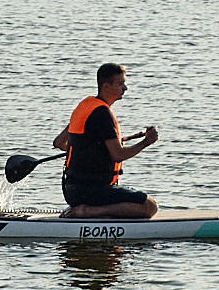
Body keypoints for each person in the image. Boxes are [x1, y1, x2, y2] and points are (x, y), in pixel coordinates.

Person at [53, 62, 160, 218]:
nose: (125, 88)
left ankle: (84, 209)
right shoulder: (102, 114)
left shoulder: (85, 107)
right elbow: (118, 155)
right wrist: (146, 142)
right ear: (106, 87)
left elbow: (60, 143)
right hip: (90, 191)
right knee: (149, 207)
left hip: (71, 191)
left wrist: (89, 149)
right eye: (121, 83)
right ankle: (88, 211)